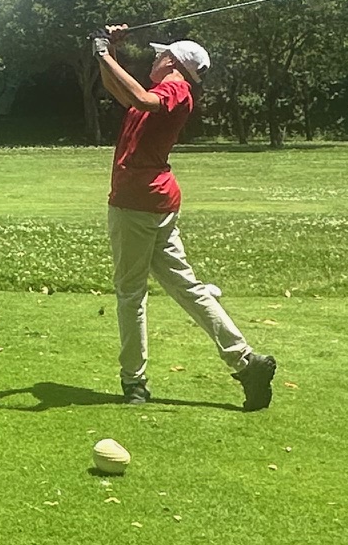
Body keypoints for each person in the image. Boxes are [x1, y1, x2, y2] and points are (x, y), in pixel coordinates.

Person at [94, 27, 277, 409]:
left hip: (137, 202)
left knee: (131, 294)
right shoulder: (167, 91)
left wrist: (105, 54)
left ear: (172, 62)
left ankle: (135, 383)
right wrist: (107, 52)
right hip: (155, 201)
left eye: (159, 56)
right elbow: (121, 92)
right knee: (187, 287)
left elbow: (140, 99)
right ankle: (245, 361)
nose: (154, 61)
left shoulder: (174, 89)